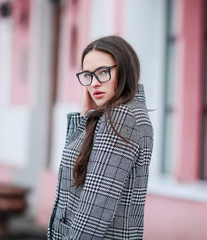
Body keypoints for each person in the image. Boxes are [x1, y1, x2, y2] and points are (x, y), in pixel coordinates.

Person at [47, 35, 154, 240]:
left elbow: (95, 208)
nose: (94, 83)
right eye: (87, 75)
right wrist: (83, 115)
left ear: (124, 69)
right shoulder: (115, 115)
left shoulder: (122, 117)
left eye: (103, 72)